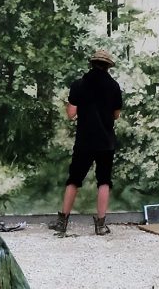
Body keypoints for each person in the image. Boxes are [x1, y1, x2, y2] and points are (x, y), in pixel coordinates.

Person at [50, 48, 123, 236]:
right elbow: (116, 115)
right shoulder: (114, 87)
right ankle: (100, 225)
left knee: (74, 179)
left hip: (84, 140)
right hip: (106, 141)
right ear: (108, 66)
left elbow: (71, 114)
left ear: (91, 64)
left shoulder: (79, 84)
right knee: (104, 181)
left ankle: (62, 222)